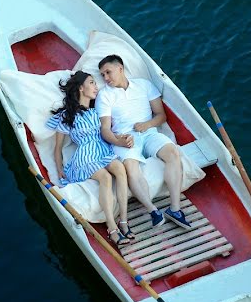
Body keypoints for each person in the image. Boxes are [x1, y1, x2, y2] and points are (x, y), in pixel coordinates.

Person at [95, 55, 192, 230]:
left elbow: (161, 116)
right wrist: (120, 141)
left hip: (149, 132)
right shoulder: (104, 95)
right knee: (131, 167)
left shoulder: (144, 85)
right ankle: (153, 210)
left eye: (108, 72)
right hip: (125, 138)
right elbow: (105, 130)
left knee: (173, 153)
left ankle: (175, 209)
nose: (105, 78)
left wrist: (146, 125)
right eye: (102, 75)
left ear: (120, 69)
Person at [47, 71, 133, 247]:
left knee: (120, 170)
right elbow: (57, 148)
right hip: (86, 155)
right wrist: (60, 168)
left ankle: (123, 221)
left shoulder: (97, 112)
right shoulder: (67, 116)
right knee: (106, 178)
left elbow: (110, 132)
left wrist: (121, 139)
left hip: (104, 150)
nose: (96, 87)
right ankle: (112, 228)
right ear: (80, 87)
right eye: (92, 83)